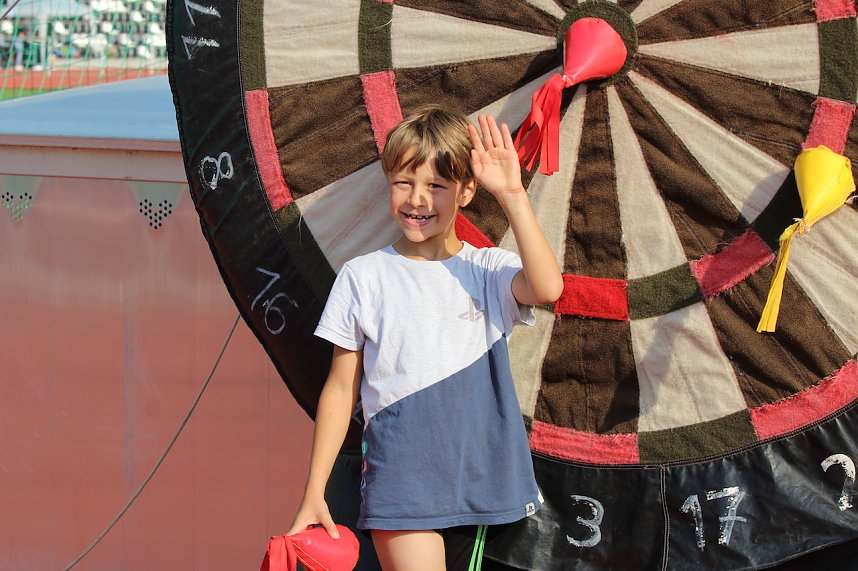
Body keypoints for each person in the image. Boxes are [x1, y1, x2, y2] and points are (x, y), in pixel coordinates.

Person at [287, 106, 564, 571]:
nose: (418, 199)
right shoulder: (363, 277)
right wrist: (314, 490)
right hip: (401, 482)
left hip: (478, 482)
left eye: (436, 186)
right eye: (404, 183)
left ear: (466, 192)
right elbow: (340, 387)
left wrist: (513, 194)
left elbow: (547, 288)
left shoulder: (488, 269)